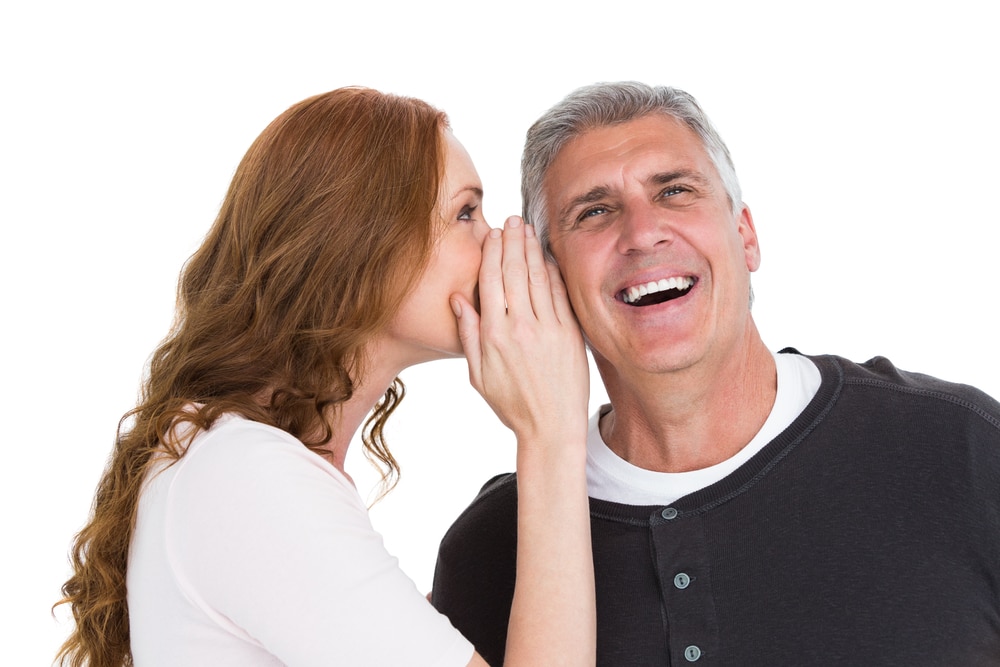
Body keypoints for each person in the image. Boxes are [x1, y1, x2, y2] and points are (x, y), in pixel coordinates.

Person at [431, 81, 1000, 666]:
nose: (642, 233)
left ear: (746, 235)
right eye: (595, 211)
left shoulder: (963, 449)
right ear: (547, 278)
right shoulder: (491, 549)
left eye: (675, 191)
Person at [55, 87, 596, 667]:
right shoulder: (249, 479)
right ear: (362, 243)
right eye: (466, 213)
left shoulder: (237, 464)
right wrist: (550, 436)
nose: (497, 242)